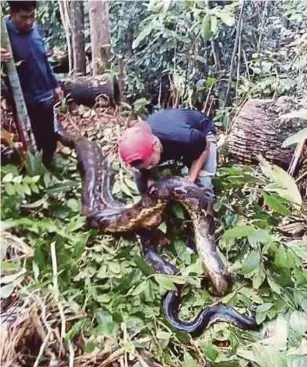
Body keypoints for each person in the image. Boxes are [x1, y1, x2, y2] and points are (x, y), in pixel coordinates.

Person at [1, 1, 63, 168]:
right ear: (12, 13)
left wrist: (55, 84)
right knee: (30, 141)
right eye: (23, 17)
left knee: (49, 138)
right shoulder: (3, 34)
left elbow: (43, 57)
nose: (29, 22)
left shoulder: (34, 28)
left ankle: (49, 170)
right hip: (24, 100)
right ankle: (33, 173)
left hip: (45, 95)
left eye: (32, 16)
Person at [118, 108, 217, 213]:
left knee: (202, 184)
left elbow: (205, 147)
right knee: (141, 181)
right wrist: (150, 191)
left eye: (151, 164)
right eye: (145, 167)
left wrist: (191, 178)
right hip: (169, 143)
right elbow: (146, 176)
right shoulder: (140, 143)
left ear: (156, 147)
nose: (148, 168)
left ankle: (207, 219)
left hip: (202, 135)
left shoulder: (184, 137)